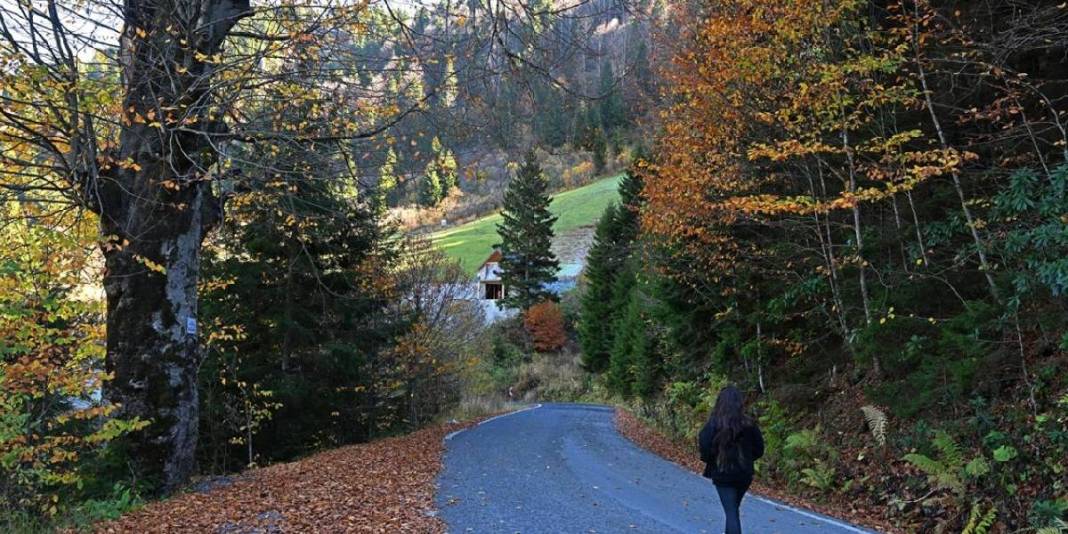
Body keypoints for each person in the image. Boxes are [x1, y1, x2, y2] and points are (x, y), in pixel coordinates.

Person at [698, 385, 765, 534]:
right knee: (733, 509)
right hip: (744, 474)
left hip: (723, 472)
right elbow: (759, 448)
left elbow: (704, 444)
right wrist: (747, 459)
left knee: (731, 511)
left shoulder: (714, 424)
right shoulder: (749, 424)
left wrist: (711, 460)